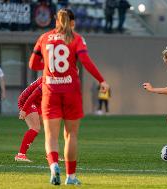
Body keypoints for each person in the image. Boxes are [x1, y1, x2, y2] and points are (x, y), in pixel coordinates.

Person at [29, 8, 109, 185]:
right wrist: (101, 80)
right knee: (71, 134)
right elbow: (86, 61)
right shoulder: (76, 38)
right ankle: (71, 177)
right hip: (71, 92)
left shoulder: (44, 38)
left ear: (55, 22)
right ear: (72, 23)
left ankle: (53, 167)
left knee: (50, 136)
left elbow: (33, 64)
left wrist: (48, 67)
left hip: (50, 92)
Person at [15, 77, 43, 162]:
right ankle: (21, 155)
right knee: (35, 127)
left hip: (38, 101)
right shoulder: (50, 79)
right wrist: (23, 110)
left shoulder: (62, 80)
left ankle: (51, 155)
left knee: (50, 128)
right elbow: (33, 95)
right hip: (27, 100)